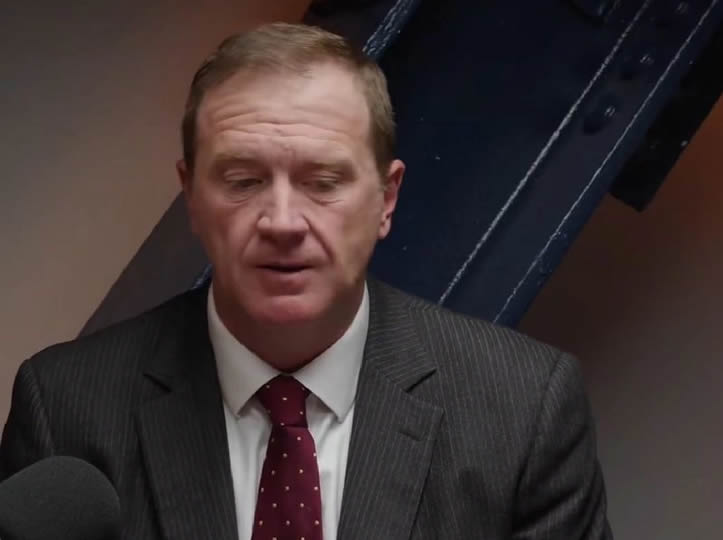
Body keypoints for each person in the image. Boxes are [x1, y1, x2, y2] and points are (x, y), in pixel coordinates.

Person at [0, 22, 612, 539]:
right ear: (191, 196)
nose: (283, 222)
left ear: (386, 198)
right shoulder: (66, 407)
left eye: (323, 182)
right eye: (243, 181)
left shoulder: (524, 410)